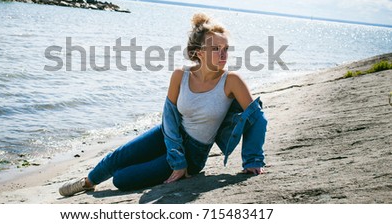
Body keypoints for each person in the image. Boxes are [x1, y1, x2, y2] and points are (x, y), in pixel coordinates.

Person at [59, 13, 267, 196]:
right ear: (198, 52)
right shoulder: (180, 75)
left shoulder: (231, 81)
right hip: (169, 134)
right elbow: (169, 116)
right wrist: (175, 156)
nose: (223, 55)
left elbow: (256, 118)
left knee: (121, 180)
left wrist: (252, 160)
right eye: (216, 48)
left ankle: (148, 167)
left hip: (194, 153)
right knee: (118, 156)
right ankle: (87, 183)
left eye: (226, 49)